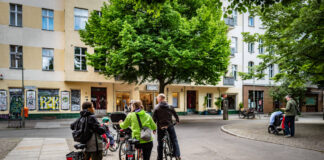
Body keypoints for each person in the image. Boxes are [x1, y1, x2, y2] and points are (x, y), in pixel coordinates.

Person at [153, 93, 181, 160]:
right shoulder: (170, 106)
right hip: (170, 126)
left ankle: (159, 158)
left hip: (161, 127)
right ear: (164, 99)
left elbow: (154, 119)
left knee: (160, 143)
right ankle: (177, 155)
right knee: (174, 140)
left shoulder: (156, 107)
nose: (157, 100)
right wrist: (177, 120)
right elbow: (175, 114)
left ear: (160, 99)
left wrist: (154, 128)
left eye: (157, 99)